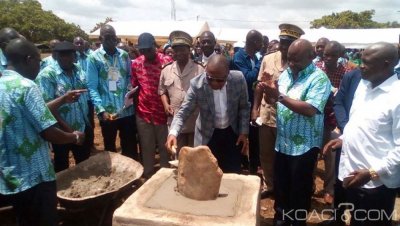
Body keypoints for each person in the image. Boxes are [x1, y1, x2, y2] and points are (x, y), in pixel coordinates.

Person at [0, 38, 85, 226]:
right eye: (39, 61)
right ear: (29, 59)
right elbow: (48, 131)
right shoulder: (26, 87)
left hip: (9, 177)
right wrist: (74, 136)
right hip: (34, 176)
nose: (40, 66)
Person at [323, 42, 400, 226]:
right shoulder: (363, 86)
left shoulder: (396, 97)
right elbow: (361, 123)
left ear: (386, 64)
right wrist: (343, 139)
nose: (360, 66)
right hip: (352, 174)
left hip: (376, 184)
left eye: (367, 62)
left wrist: (373, 172)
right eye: (361, 61)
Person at [261, 39, 331, 226]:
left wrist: (279, 96)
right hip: (283, 143)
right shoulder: (286, 75)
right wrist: (268, 91)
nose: (291, 64)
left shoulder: (319, 79)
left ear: (311, 56)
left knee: (299, 191)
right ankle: (280, 219)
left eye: (296, 60)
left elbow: (310, 109)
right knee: (281, 187)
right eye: (289, 59)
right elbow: (274, 101)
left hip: (304, 147)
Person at [166, 54, 250, 173]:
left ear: (227, 74)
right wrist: (173, 133)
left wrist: (243, 132)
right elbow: (183, 112)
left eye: (220, 80)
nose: (215, 83)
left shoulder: (238, 79)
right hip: (207, 135)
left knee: (232, 172)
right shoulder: (197, 85)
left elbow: (244, 107)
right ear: (206, 71)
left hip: (231, 133)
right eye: (210, 78)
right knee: (205, 173)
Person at [252, 23, 304, 198]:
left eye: (289, 43)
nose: (284, 46)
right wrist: (255, 109)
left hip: (288, 118)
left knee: (287, 155)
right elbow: (260, 85)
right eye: (282, 41)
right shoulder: (268, 59)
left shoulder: (300, 63)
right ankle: (269, 184)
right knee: (266, 153)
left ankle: (287, 186)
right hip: (267, 115)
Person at [36, 41, 93, 172]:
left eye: (70, 55)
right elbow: (46, 108)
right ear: (56, 56)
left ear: (74, 55)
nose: (66, 58)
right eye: (62, 55)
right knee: (62, 165)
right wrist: (70, 131)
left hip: (82, 126)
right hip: (60, 131)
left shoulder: (78, 69)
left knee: (84, 164)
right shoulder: (47, 75)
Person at [86, 25, 138, 160]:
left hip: (126, 109)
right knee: (110, 147)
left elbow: (129, 77)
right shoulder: (93, 58)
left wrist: (129, 92)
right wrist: (100, 110)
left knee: (130, 145)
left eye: (113, 38)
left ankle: (133, 176)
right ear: (100, 38)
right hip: (108, 112)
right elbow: (92, 87)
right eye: (107, 38)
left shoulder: (124, 55)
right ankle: (116, 177)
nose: (111, 41)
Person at [314, 40, 352, 204]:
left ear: (339, 56)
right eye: (325, 55)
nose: (327, 58)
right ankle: (310, 186)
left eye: (332, 55)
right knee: (311, 154)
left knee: (331, 156)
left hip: (332, 119)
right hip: (314, 117)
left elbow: (344, 99)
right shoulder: (316, 70)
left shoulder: (345, 73)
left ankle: (329, 189)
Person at [131, 32, 173, 178]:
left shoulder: (166, 61)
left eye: (148, 50)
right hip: (144, 113)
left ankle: (164, 176)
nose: (146, 53)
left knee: (164, 146)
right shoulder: (136, 64)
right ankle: (148, 175)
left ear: (154, 46)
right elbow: (135, 87)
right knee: (147, 147)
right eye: (142, 51)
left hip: (162, 113)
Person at [159, 31, 204, 152]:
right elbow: (162, 91)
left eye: (182, 49)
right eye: (176, 50)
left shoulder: (200, 69)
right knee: (178, 156)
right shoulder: (166, 70)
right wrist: (166, 105)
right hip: (175, 120)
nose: (179, 53)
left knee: (196, 156)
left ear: (189, 50)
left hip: (195, 121)